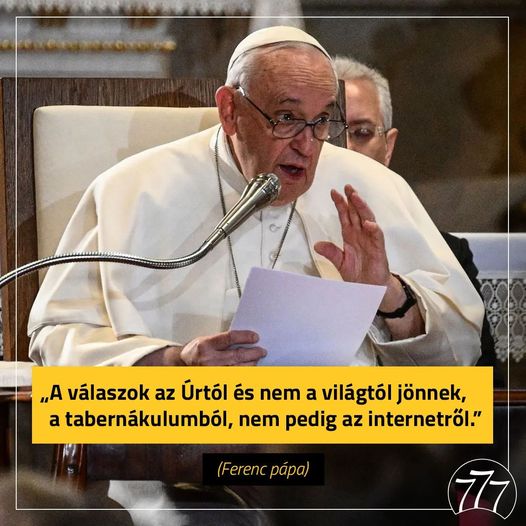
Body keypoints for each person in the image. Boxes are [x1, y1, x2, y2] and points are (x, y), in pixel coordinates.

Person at [27, 26, 483, 370]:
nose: (308, 145)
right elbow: (55, 336)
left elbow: (463, 351)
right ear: (230, 110)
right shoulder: (131, 190)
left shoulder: (372, 188)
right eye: (286, 117)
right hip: (174, 448)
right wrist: (173, 362)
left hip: (344, 448)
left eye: (322, 121)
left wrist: (388, 294)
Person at [333, 56, 498, 372]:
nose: (345, 148)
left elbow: (483, 385)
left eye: (362, 132)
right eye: (329, 132)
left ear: (388, 147)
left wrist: (391, 294)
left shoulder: (448, 254)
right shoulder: (279, 241)